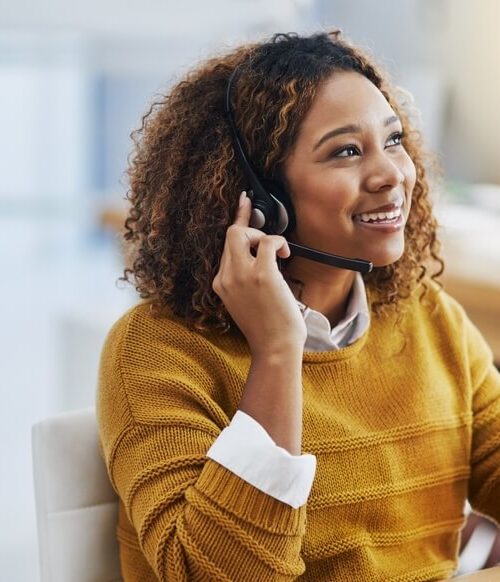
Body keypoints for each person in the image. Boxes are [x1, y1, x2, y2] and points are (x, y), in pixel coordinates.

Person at [96, 31, 500, 581]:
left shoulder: (428, 316)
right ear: (260, 199)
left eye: (394, 140)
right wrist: (278, 352)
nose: (391, 175)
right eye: (346, 151)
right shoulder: (157, 350)